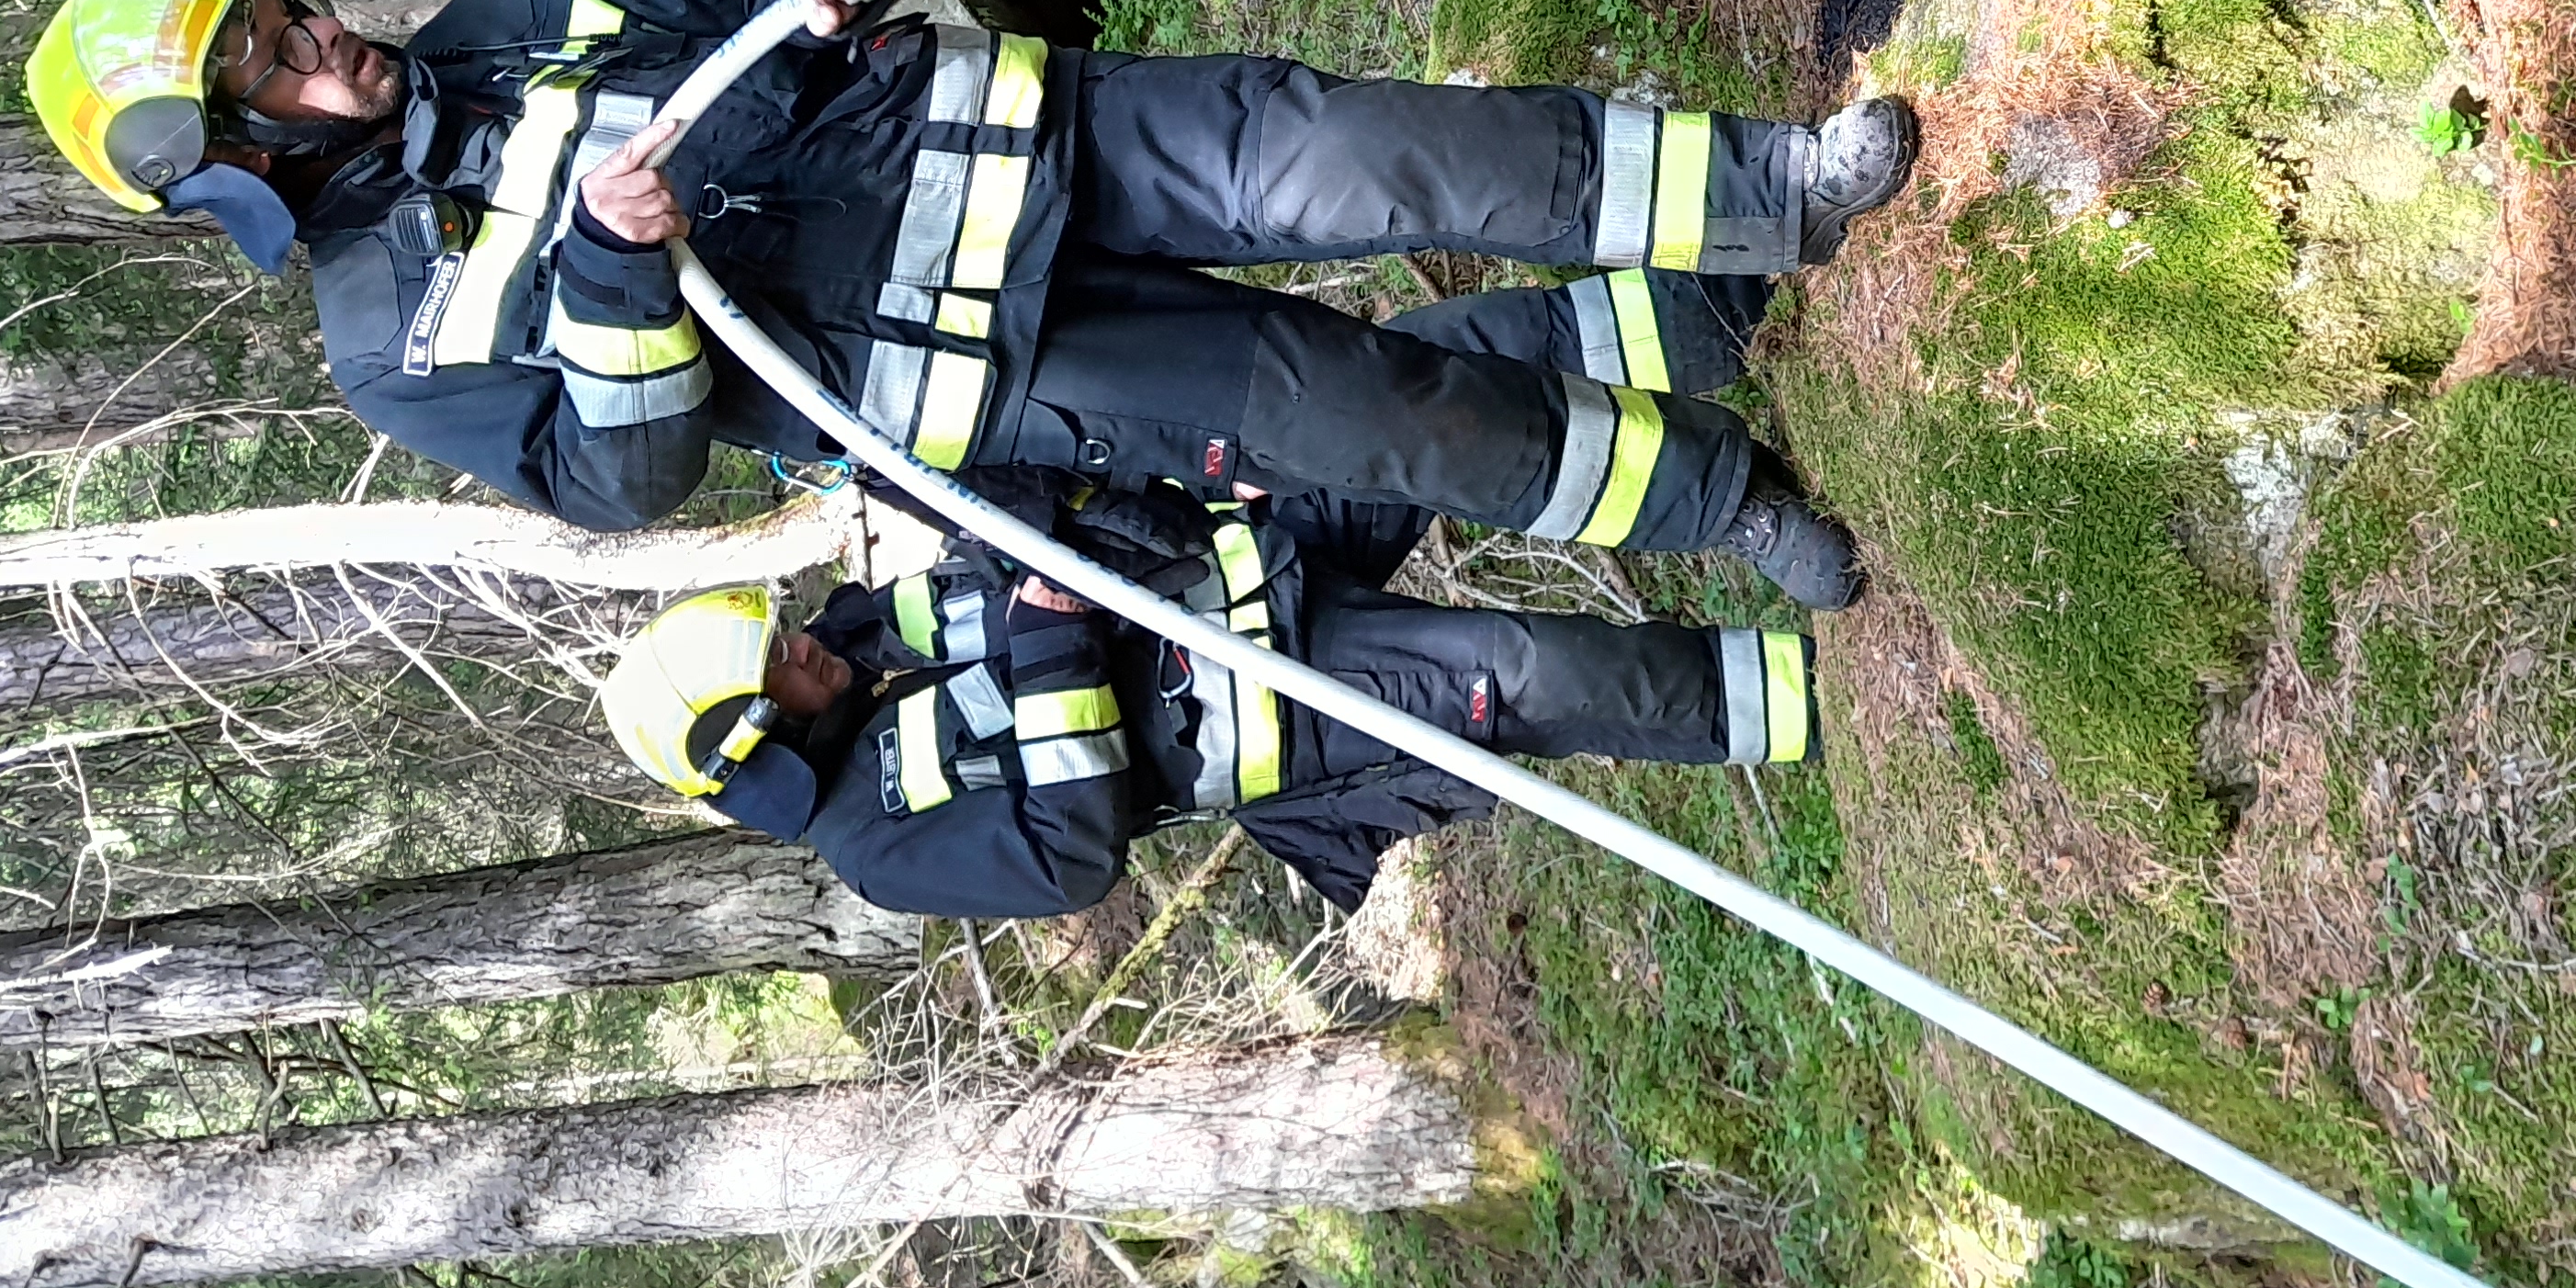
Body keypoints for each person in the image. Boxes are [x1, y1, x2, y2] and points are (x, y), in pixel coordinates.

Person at [25, 0, 1910, 604]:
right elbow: (620, 478)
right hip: (1002, 378)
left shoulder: (514, 12)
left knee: (1389, 152)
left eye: (293, 10)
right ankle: (1723, 504)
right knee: (1393, 424)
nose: (327, 42)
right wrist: (611, 280)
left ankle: (1777, 189)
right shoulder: (394, 343)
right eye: (280, 59)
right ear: (238, 156)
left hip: (1033, 142)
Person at [599, 485, 1813, 917]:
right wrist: (1051, 655)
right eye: (783, 667)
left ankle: (1714, 317)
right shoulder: (879, 848)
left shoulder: (862, 661)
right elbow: (1066, 859)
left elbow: (969, 578)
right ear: (772, 739)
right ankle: (1807, 701)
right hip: (1285, 710)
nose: (803, 643)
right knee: (1534, 669)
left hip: (1243, 561)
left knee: (1423, 395)